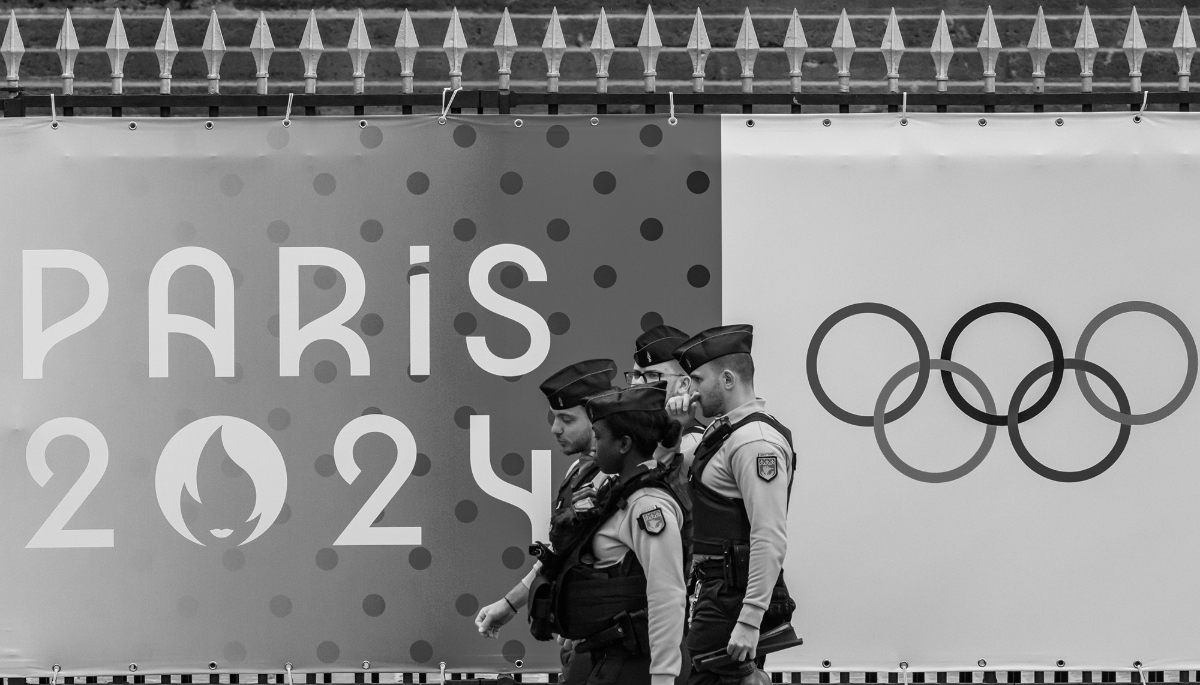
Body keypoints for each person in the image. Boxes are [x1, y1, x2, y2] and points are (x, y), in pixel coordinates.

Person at [527, 382, 689, 685]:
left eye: (599, 437)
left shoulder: (647, 506)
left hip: (639, 665)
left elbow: (667, 595)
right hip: (611, 657)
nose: (592, 445)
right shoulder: (618, 494)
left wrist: (664, 678)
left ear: (624, 444)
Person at [667, 325, 796, 685]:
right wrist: (675, 427)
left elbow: (769, 536)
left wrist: (750, 618)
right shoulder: (723, 433)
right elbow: (670, 481)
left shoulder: (754, 442)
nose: (689, 390)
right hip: (714, 590)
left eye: (696, 379)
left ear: (726, 379)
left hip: (731, 597)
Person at [476, 359, 619, 683]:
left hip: (609, 647)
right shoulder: (579, 471)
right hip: (582, 643)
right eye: (554, 418)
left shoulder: (616, 479)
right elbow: (560, 554)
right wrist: (510, 605)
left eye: (567, 419)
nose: (555, 428)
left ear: (599, 418)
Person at [627, 325, 706, 468]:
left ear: (683, 385)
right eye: (636, 375)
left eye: (652, 375)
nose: (637, 383)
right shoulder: (630, 440)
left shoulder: (696, 445)